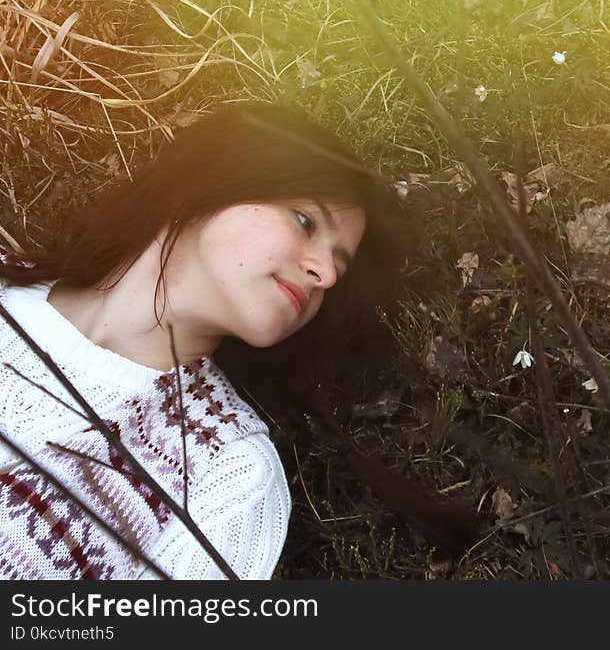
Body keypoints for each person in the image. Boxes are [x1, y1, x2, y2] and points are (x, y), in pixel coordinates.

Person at [0, 101, 412, 579]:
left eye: (337, 265)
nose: (325, 275)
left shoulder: (229, 477)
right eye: (304, 221)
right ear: (215, 180)